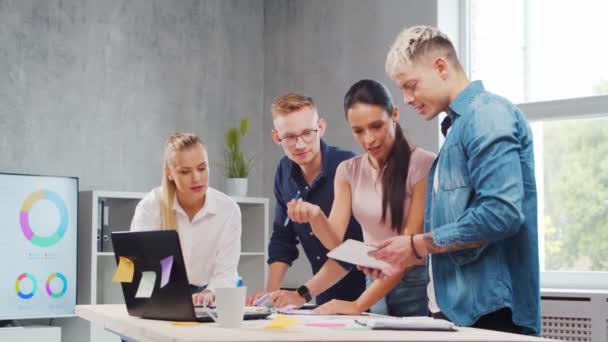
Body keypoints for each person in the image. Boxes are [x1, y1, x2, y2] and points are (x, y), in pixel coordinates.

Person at [366, 25, 540, 335]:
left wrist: (417, 245)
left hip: (490, 314)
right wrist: (401, 255)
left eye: (411, 85)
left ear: (441, 67)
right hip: (456, 311)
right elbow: (457, 229)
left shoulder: (487, 117)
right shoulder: (457, 130)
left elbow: (502, 213)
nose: (406, 99)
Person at [285, 79, 434, 316]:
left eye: (376, 126)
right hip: (373, 282)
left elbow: (406, 252)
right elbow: (335, 242)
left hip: (414, 285)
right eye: (358, 130)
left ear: (394, 114)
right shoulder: (348, 171)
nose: (368, 139)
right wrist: (315, 216)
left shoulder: (423, 165)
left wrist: (357, 305)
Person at [246, 93, 366, 308]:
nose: (300, 144)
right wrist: (269, 295)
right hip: (323, 296)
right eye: (289, 137)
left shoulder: (348, 166)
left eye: (307, 133)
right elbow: (283, 238)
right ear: (276, 138)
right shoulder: (284, 171)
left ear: (320, 127)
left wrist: (301, 295)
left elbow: (352, 249)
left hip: (368, 295)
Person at [130, 133, 241, 307]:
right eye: (185, 171)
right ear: (169, 174)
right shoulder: (150, 206)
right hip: (162, 293)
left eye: (202, 168)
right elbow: (137, 265)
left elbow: (226, 271)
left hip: (210, 295)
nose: (196, 178)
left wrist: (210, 292)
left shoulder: (228, 210)